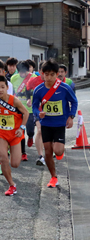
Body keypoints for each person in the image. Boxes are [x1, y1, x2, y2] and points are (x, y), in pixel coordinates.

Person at [33, 59, 77, 188]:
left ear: (57, 74)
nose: (49, 77)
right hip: (46, 123)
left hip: (59, 124)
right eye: (46, 74)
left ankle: (59, 150)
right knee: (47, 152)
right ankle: (53, 177)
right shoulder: (38, 90)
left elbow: (74, 102)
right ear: (42, 74)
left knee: (57, 152)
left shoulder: (64, 88)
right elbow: (35, 106)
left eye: (52, 74)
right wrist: (38, 113)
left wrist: (71, 117)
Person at [0, 76, 29, 196]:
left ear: (7, 88)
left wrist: (22, 128)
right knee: (3, 158)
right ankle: (11, 185)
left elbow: (25, 113)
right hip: (2, 134)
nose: (0, 90)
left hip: (15, 134)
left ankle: (2, 161)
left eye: (2, 87)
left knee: (15, 164)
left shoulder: (14, 100)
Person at [10, 61, 37, 162]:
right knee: (20, 131)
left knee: (30, 130)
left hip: (30, 109)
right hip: (18, 109)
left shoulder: (34, 77)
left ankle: (30, 136)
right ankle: (23, 153)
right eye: (20, 72)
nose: (22, 74)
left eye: (24, 72)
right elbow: (12, 93)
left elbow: (37, 92)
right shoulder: (14, 78)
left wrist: (32, 100)